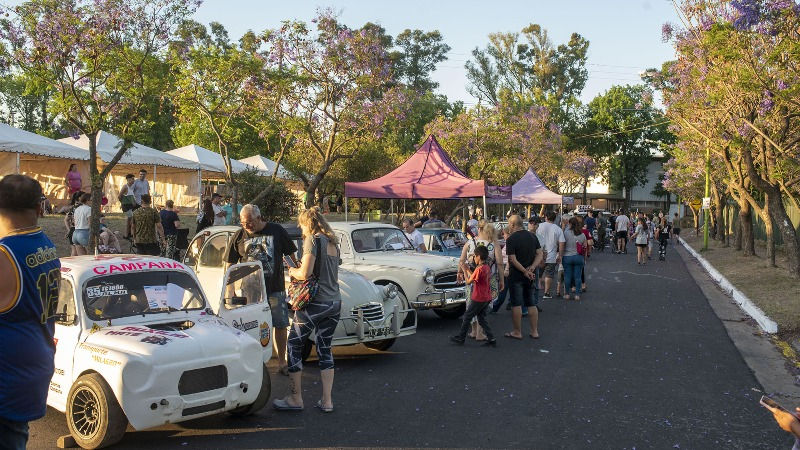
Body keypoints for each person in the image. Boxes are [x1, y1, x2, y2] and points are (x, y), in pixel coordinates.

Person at [0, 175, 60, 449]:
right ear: (39, 208)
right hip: (34, 362)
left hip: (8, 374)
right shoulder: (44, 243)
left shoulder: (5, 254)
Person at [274, 207, 340, 412]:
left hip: (314, 303)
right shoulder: (333, 242)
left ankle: (295, 398)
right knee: (325, 348)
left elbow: (306, 273)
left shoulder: (313, 240)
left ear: (307, 223)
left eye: (301, 226)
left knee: (294, 346)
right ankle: (327, 401)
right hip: (334, 302)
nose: (301, 231)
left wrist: (292, 269)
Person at [227, 204, 297, 376]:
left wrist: (296, 278)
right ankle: (254, 362)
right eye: (243, 222)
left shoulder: (276, 230)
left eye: (249, 222)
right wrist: (230, 290)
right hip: (250, 291)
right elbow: (230, 265)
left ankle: (282, 361)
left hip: (275, 288)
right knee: (251, 327)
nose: (246, 225)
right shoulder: (239, 235)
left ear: (259, 218)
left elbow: (291, 255)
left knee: (280, 324)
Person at [459, 222, 504, 340]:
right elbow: (499, 263)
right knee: (483, 306)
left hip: (471, 276)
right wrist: (502, 279)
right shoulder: (494, 243)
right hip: (488, 279)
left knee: (471, 304)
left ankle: (473, 331)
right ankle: (480, 332)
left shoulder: (470, 242)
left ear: (479, 229)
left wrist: (460, 272)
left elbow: (462, 260)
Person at [504, 215, 542, 340]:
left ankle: (517, 331)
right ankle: (534, 331)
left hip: (517, 275)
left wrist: (524, 271)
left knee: (516, 304)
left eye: (509, 224)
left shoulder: (511, 239)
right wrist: (532, 267)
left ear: (512, 224)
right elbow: (539, 254)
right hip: (530, 274)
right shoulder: (532, 236)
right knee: (531, 302)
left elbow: (512, 259)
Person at [450, 245, 496, 347]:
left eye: (474, 256)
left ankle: (461, 338)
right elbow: (476, 277)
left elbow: (468, 281)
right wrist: (467, 270)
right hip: (487, 297)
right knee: (481, 318)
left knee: (467, 316)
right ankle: (491, 338)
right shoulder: (486, 267)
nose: (474, 258)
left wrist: (463, 269)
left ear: (478, 256)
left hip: (479, 297)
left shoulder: (479, 269)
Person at [536, 211, 565, 299]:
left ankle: (537, 288)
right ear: (555, 218)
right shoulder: (558, 229)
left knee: (538, 273)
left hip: (538, 255)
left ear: (546, 217)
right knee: (549, 274)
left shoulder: (539, 226)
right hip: (551, 255)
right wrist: (560, 255)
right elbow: (561, 243)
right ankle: (546, 293)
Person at [562, 217, 588, 301]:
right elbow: (585, 247)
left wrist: (560, 255)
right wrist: (584, 259)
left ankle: (567, 294)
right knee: (578, 276)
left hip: (567, 257)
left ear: (570, 224)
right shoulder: (582, 234)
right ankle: (577, 295)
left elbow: (562, 244)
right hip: (578, 257)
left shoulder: (565, 233)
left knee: (567, 276)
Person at [118, 174, 138, 239]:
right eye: (132, 179)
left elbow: (130, 196)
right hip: (127, 207)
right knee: (129, 220)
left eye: (134, 179)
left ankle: (129, 234)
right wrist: (123, 203)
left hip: (130, 206)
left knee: (130, 220)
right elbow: (119, 196)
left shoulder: (130, 187)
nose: (133, 180)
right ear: (128, 179)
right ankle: (126, 235)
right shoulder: (125, 187)